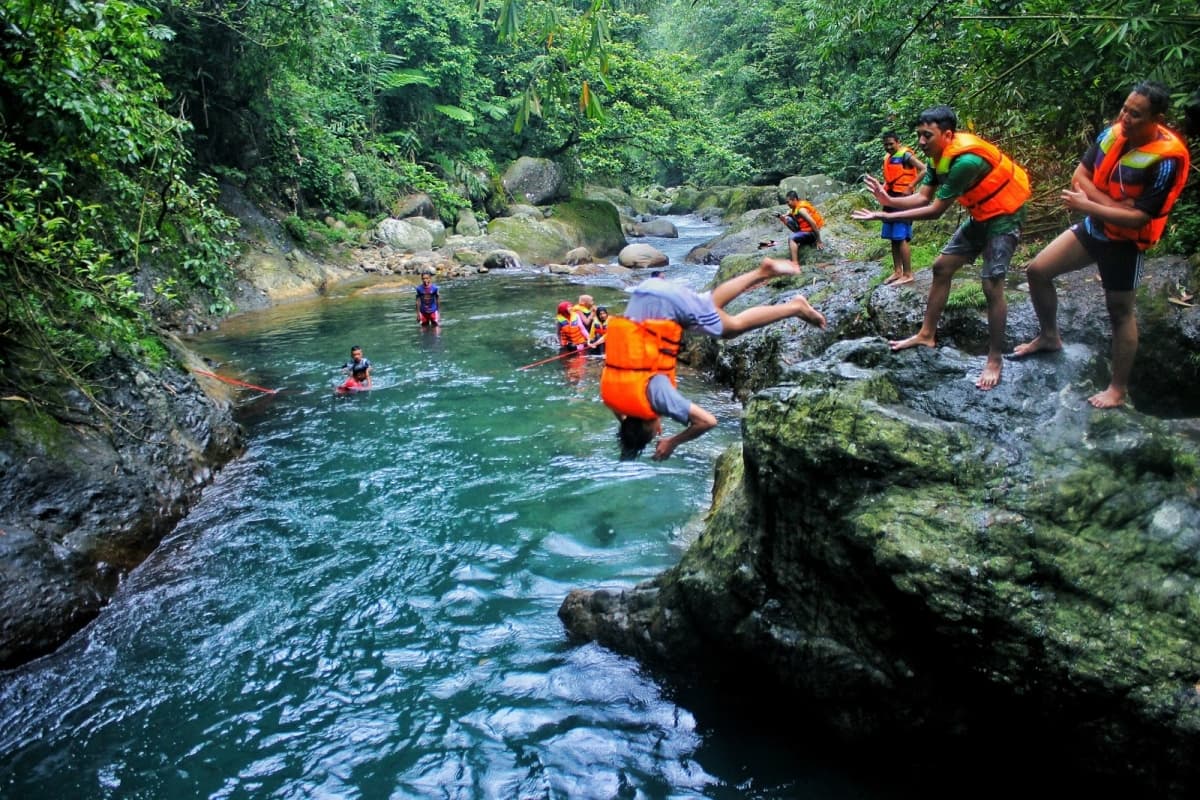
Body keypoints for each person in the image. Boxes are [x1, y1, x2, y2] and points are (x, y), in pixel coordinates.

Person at [1012, 80, 1192, 408]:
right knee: (1037, 271)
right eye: (1125, 108)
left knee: (1120, 311)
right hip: (1095, 228)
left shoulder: (1167, 160)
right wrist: (1111, 207)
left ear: (1156, 119)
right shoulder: (1111, 135)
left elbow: (1138, 219)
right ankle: (1049, 336)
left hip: (1125, 242)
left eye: (1135, 114)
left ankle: (1118, 389)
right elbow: (1079, 177)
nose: (1125, 117)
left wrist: (1092, 205)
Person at [852, 105, 1031, 390]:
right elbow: (923, 196)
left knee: (991, 284)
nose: (921, 142)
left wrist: (885, 214)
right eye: (919, 135)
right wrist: (888, 199)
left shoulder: (965, 162)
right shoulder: (940, 158)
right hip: (983, 214)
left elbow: (934, 210)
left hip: (1004, 217)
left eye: (927, 136)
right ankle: (926, 334)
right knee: (941, 268)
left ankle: (995, 358)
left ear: (947, 134)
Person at [601, 257, 826, 461]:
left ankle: (791, 302)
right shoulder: (613, 397)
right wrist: (629, 427)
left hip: (667, 306)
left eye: (654, 432)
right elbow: (625, 416)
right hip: (645, 292)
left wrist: (672, 442)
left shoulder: (657, 397)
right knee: (712, 308)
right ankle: (766, 275)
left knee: (734, 327)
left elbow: (707, 421)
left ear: (651, 428)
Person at [879, 131, 927, 285]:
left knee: (901, 237)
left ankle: (908, 273)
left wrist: (911, 186)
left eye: (891, 144)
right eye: (886, 144)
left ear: (898, 142)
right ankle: (897, 271)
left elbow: (924, 169)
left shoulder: (906, 155)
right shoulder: (888, 158)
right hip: (890, 199)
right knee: (893, 238)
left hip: (904, 200)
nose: (888, 147)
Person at [778, 190, 826, 265]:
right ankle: (798, 238)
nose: (787, 204)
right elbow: (791, 212)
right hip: (805, 229)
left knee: (791, 238)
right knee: (788, 219)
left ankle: (795, 264)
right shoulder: (796, 206)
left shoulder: (801, 210)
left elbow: (813, 223)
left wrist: (819, 240)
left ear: (794, 200)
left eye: (788, 202)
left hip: (812, 233)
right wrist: (784, 217)